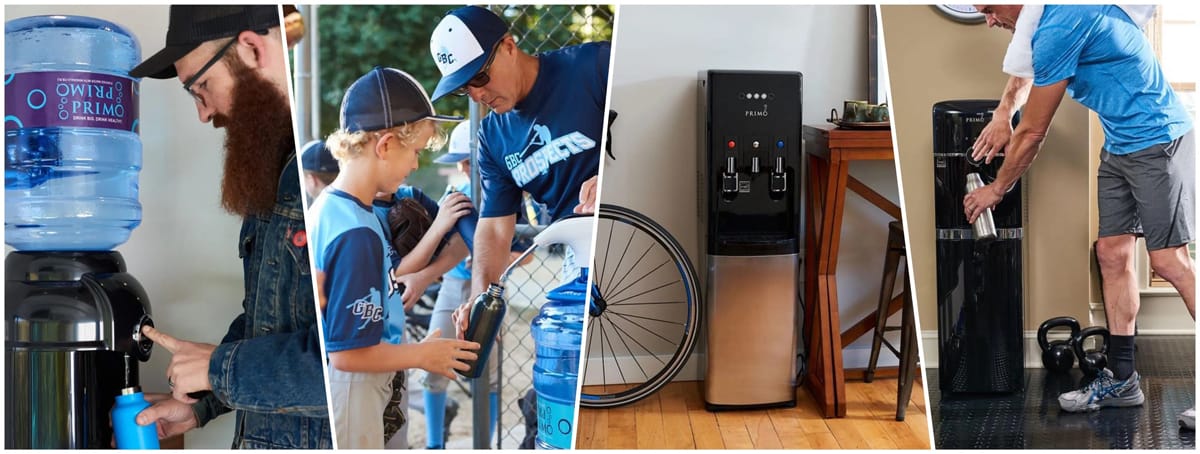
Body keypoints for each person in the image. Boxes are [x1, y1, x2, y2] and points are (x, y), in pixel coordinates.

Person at [967, 5, 1195, 428]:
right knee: (1110, 253)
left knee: (1168, 261)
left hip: (1159, 139)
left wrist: (996, 189)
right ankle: (1123, 381)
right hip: (1121, 144)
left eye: (989, 7)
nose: (989, 19)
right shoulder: (1043, 19)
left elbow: (1034, 130)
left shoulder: (1062, 20)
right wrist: (1002, 112)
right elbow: (1025, 70)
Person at [120, 5, 328, 448]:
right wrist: (201, 406)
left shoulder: (321, 178)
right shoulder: (272, 166)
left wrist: (219, 368)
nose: (203, 113)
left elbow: (341, 363)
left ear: (252, 48)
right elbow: (268, 325)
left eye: (201, 88)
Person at [312, 66, 479, 449]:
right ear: (385, 145)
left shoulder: (343, 209)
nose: (416, 165)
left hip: (366, 378)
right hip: (354, 386)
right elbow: (348, 356)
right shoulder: (356, 230)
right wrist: (422, 355)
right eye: (415, 152)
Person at [426, 4, 608, 323]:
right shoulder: (493, 136)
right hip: (579, 252)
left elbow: (652, 121)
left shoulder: (593, 66)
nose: (476, 94)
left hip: (635, 224)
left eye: (480, 76)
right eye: (463, 88)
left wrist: (613, 178)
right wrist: (479, 296)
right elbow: (496, 227)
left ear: (509, 47)